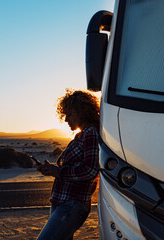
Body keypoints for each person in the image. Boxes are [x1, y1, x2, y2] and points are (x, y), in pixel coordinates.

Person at [36, 89, 100, 240]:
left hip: (72, 204)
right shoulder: (81, 135)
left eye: (69, 114)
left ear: (81, 112)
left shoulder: (91, 133)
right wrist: (51, 169)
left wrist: (58, 172)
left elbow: (91, 170)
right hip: (62, 201)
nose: (65, 120)